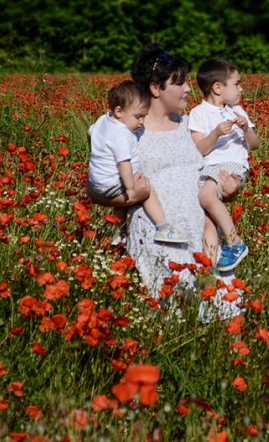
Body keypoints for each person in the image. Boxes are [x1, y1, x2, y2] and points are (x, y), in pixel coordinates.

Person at [123, 44, 244, 308]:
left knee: (221, 310)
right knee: (169, 315)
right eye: (180, 82)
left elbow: (213, 174)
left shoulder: (192, 125)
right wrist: (134, 195)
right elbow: (100, 189)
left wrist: (229, 189)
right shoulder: (130, 132)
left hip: (201, 238)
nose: (189, 88)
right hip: (158, 240)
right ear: (156, 88)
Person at [86, 80, 187, 245]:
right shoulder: (122, 135)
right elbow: (124, 164)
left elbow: (90, 132)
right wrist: (131, 190)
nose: (141, 122)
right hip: (109, 184)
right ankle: (163, 227)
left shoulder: (103, 121)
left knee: (121, 204)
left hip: (96, 180)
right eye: (138, 117)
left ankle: (118, 232)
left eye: (144, 117)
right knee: (146, 189)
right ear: (119, 111)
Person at [189, 59, 258, 271]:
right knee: (208, 222)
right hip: (209, 168)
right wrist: (216, 133)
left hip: (232, 165)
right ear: (217, 87)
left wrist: (246, 129)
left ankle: (235, 242)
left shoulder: (238, 112)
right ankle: (208, 269)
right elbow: (200, 149)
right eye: (236, 84)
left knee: (205, 196)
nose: (241, 88)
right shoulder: (198, 113)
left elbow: (254, 145)